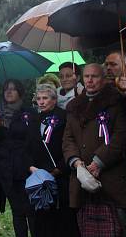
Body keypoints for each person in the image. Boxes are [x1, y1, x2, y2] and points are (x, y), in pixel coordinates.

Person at [63, 63, 126, 237]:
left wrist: (98, 162)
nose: (90, 80)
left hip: (111, 178)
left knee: (120, 227)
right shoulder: (74, 106)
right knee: (88, 229)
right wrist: (76, 162)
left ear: (103, 79)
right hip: (82, 179)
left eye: (94, 76)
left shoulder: (115, 102)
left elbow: (120, 136)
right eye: (86, 76)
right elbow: (68, 138)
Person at [0, 79, 39, 237]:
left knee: (31, 210)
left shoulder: (29, 112)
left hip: (26, 168)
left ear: (20, 92)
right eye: (6, 89)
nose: (9, 92)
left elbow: (30, 139)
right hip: (6, 170)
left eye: (13, 89)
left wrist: (6, 129)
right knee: (17, 211)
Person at [29, 84, 76, 237]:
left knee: (63, 218)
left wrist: (60, 169)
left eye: (45, 98)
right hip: (40, 175)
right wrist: (31, 167)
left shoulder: (63, 117)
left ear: (54, 100)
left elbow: (70, 143)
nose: (41, 102)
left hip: (61, 174)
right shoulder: (34, 119)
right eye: (39, 98)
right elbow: (28, 145)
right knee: (42, 218)